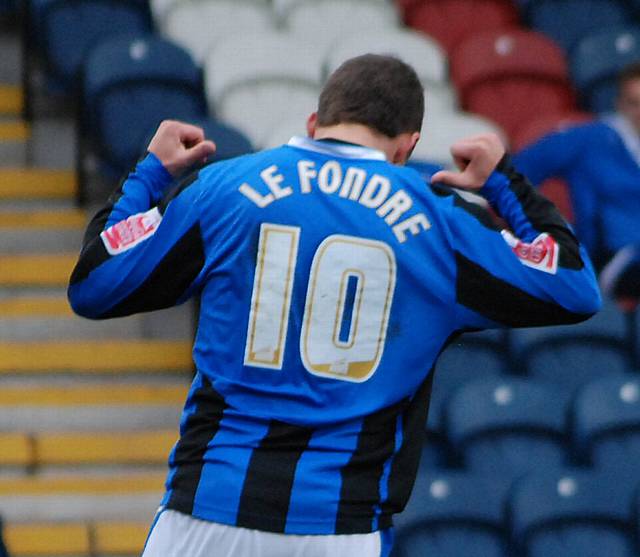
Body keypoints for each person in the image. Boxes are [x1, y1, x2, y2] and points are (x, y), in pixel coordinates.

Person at [67, 54, 601, 557]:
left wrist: (152, 173)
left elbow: (95, 282)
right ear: (406, 147)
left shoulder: (224, 187)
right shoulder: (440, 219)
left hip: (206, 510)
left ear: (314, 119)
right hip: (337, 528)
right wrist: (505, 186)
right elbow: (574, 284)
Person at [513, 62, 640, 301]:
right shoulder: (589, 139)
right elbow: (519, 170)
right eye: (634, 104)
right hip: (615, 258)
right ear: (620, 104)